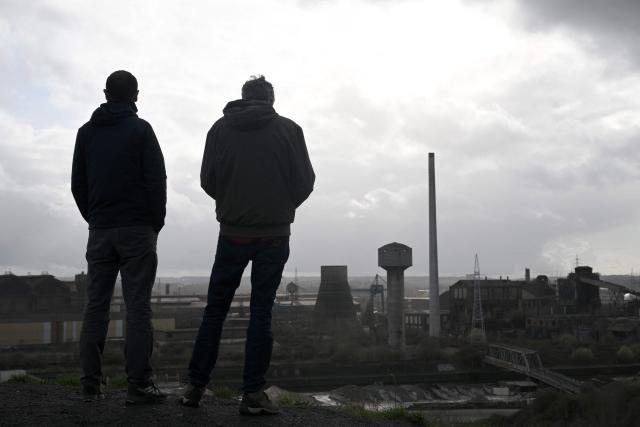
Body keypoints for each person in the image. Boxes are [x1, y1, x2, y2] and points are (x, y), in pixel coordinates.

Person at [180, 75, 315, 415]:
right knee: (261, 313)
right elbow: (305, 181)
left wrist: (231, 206)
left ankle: (195, 388)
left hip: (232, 233)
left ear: (243, 98)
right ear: (271, 99)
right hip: (273, 235)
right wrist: (281, 208)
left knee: (215, 311)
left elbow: (207, 179)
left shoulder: (219, 130)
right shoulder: (289, 130)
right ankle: (252, 394)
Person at [71, 70, 167, 405]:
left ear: (105, 93)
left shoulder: (86, 133)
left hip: (100, 231)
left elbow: (77, 185)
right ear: (135, 95)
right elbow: (157, 180)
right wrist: (154, 223)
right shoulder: (141, 130)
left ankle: (89, 385)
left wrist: (95, 218)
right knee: (138, 307)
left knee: (95, 306)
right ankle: (138, 385)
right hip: (137, 230)